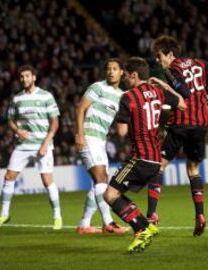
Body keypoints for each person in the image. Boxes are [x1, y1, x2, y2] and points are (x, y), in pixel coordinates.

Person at [148, 35, 208, 236]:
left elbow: (183, 91)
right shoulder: (199, 63)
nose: (158, 61)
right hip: (201, 124)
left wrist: (163, 84)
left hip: (181, 122)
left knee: (159, 164)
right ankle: (200, 215)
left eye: (159, 56)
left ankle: (151, 216)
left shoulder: (172, 69)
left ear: (170, 54)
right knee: (193, 168)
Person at [104, 57, 186, 252]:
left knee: (110, 195)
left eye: (125, 75)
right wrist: (164, 85)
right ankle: (145, 226)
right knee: (118, 194)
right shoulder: (158, 91)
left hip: (140, 157)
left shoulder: (128, 97)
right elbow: (182, 103)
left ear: (134, 75)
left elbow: (122, 132)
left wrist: (119, 117)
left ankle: (140, 229)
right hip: (155, 160)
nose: (124, 79)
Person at [0, 65, 62, 231]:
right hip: (23, 146)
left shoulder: (46, 96)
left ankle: (57, 216)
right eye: (22, 77)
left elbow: (55, 122)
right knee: (9, 176)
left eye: (27, 76)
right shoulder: (16, 99)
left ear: (34, 77)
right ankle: (4, 214)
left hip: (42, 144)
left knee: (47, 180)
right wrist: (17, 130)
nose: (24, 79)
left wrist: (45, 143)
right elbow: (10, 119)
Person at [75, 59, 129, 234]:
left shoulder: (122, 96)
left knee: (100, 181)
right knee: (100, 178)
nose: (111, 72)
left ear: (122, 72)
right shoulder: (97, 87)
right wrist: (80, 134)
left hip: (100, 141)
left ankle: (84, 225)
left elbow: (121, 130)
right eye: (108, 69)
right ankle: (108, 223)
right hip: (89, 136)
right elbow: (80, 108)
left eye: (115, 69)